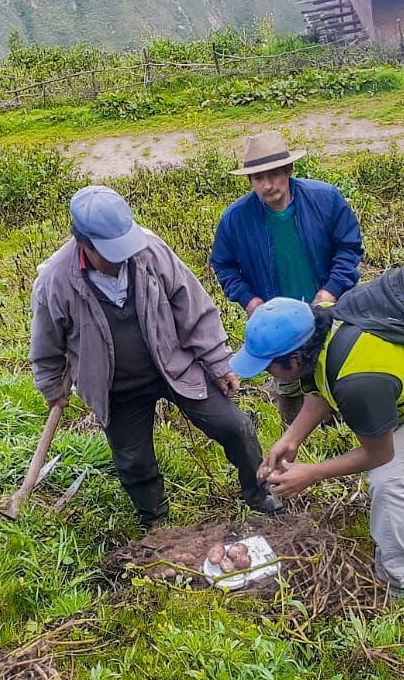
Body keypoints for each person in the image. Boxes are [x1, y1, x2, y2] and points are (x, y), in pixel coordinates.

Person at [30, 185, 281, 529]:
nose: (122, 258)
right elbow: (46, 344)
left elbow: (192, 305)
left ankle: (259, 491)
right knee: (133, 460)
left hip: (175, 366)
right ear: (83, 243)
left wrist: (218, 361)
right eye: (111, 251)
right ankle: (155, 519)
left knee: (235, 426)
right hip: (115, 387)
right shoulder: (55, 281)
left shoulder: (149, 251)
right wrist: (50, 386)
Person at [231, 297, 404, 597]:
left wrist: (312, 473)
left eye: (268, 367)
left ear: (295, 359)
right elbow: (324, 384)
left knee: (389, 475)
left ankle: (397, 584)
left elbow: (380, 454)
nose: (267, 374)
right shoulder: (320, 326)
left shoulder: (358, 381)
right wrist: (290, 439)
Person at [210, 130, 364, 424]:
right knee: (288, 384)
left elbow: (349, 247)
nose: (268, 186)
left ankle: (346, 428)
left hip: (327, 311)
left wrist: (331, 290)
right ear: (249, 181)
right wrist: (249, 299)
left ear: (289, 171)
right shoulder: (236, 219)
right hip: (277, 322)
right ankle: (296, 436)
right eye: (258, 178)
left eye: (274, 175)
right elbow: (224, 265)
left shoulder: (325, 199)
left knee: (336, 369)